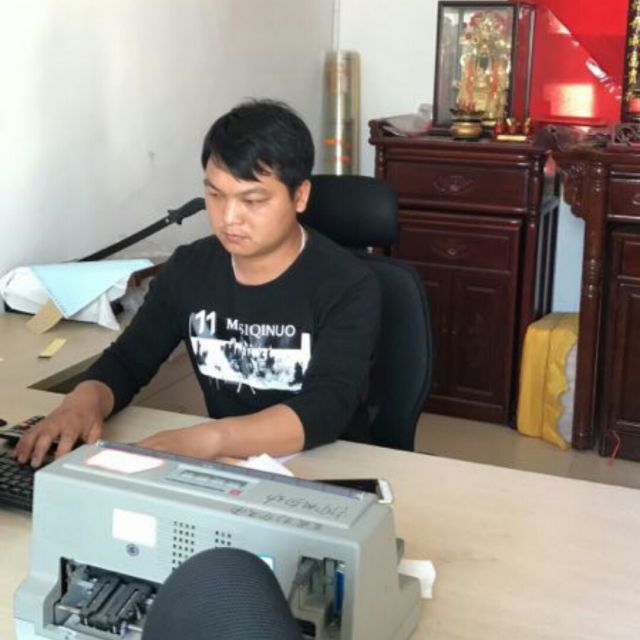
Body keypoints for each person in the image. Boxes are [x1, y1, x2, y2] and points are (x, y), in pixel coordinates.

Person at [17, 99, 381, 468]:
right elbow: (128, 361)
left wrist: (209, 438)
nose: (229, 218)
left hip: (329, 468)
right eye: (215, 195)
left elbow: (325, 407)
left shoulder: (347, 284)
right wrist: (81, 404)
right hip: (229, 468)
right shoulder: (189, 269)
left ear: (299, 196)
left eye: (252, 200)